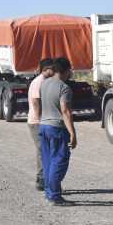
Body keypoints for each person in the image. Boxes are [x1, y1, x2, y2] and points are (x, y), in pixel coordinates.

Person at [35, 57, 77, 205]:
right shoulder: (64, 87)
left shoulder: (44, 84)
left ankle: (49, 193)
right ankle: (54, 196)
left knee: (47, 161)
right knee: (59, 161)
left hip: (43, 126)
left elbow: (39, 104)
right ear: (65, 70)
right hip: (57, 128)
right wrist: (72, 133)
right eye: (70, 69)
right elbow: (65, 111)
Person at [26, 58, 55, 191]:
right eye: (52, 69)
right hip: (36, 122)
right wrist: (40, 120)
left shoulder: (44, 81)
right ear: (45, 69)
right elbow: (36, 102)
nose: (54, 71)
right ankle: (41, 180)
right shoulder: (39, 82)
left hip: (40, 121)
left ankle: (46, 179)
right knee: (42, 150)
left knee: (45, 150)